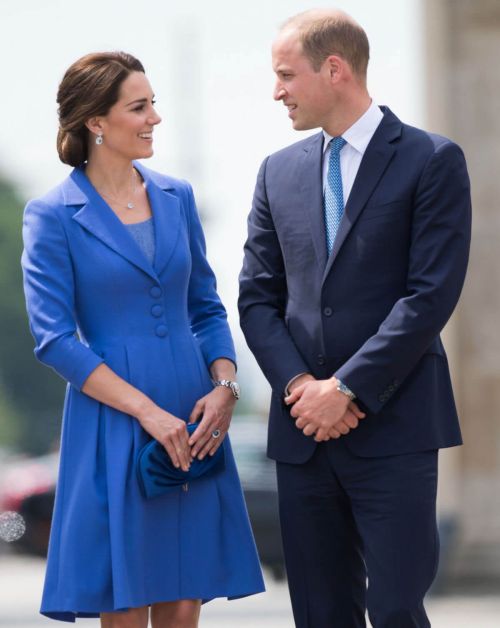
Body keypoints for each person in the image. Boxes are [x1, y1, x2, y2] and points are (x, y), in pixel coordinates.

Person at [239, 9, 471, 628]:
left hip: (395, 429)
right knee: (320, 615)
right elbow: (257, 298)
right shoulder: (277, 172)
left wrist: (345, 390)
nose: (276, 90)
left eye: (286, 74)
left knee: (396, 610)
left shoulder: (431, 160)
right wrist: (299, 390)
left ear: (334, 69)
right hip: (302, 438)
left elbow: (430, 295)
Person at [21, 51, 264, 627]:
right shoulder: (52, 214)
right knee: (126, 600)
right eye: (140, 106)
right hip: (114, 418)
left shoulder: (176, 196)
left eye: (155, 103)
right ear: (96, 122)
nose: (155, 117)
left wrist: (225, 386)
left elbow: (205, 306)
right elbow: (54, 339)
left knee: (183, 601)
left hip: (196, 413)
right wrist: (149, 414)